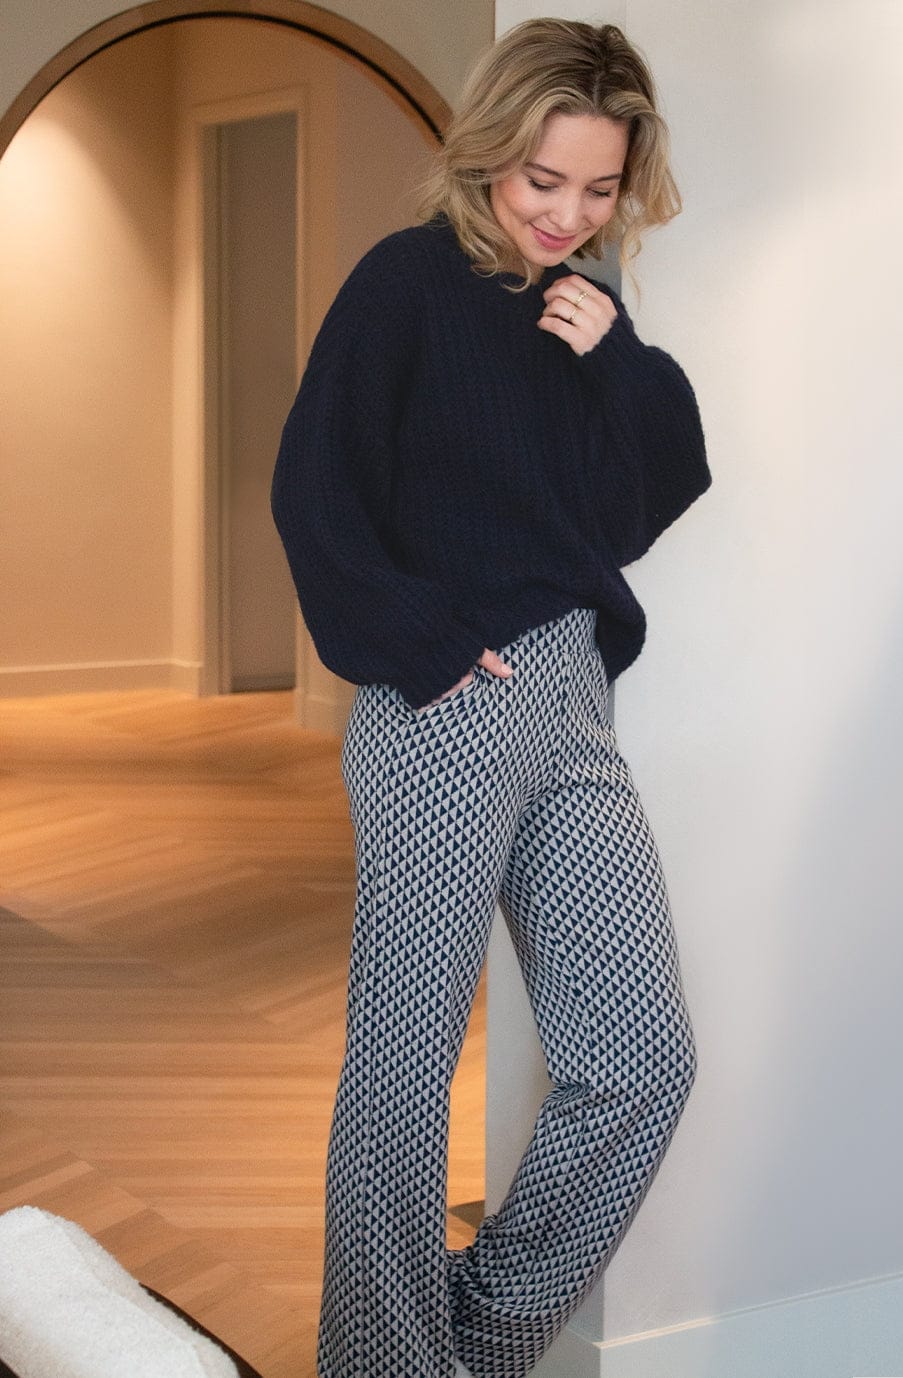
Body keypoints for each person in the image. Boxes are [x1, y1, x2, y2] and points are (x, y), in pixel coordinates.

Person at [270, 17, 711, 1378]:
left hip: (572, 702)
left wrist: (616, 360)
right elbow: (313, 488)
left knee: (640, 1058)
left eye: (598, 189)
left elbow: (648, 502)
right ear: (487, 155)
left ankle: (474, 1340)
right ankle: (384, 1363)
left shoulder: (585, 309)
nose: (566, 214)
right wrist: (425, 641)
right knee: (403, 1072)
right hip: (447, 706)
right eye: (542, 180)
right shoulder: (404, 284)